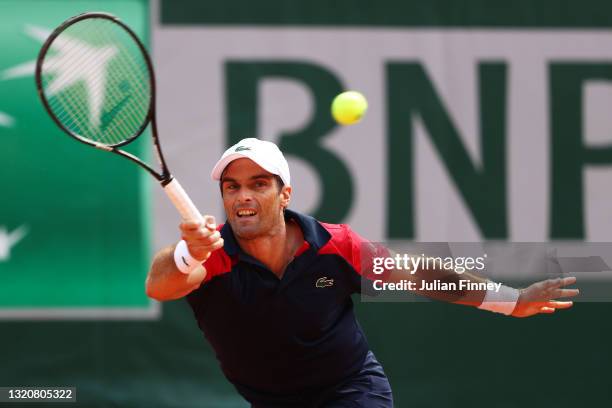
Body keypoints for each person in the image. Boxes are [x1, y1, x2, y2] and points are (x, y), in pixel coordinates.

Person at [146, 138, 579, 407]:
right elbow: (160, 284)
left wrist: (512, 300)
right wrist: (189, 253)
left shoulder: (336, 246)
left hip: (350, 391)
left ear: (285, 194)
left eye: (259, 183)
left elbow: (420, 275)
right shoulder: (210, 256)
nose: (244, 195)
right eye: (232, 186)